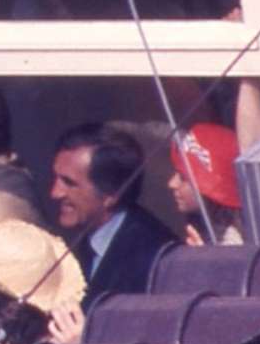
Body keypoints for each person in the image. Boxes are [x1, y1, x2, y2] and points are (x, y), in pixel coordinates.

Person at [49, 119, 172, 302]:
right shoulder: (86, 240)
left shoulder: (152, 258)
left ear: (111, 194)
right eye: (56, 178)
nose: (55, 193)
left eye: (69, 183)